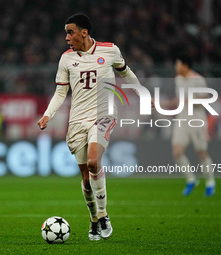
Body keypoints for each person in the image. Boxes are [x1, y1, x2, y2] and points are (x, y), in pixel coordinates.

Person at [37, 13, 144, 240]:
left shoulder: (110, 50)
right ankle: (94, 219)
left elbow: (126, 72)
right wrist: (47, 115)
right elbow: (60, 92)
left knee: (95, 161)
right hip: (77, 121)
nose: (66, 37)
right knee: (86, 178)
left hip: (103, 115)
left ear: (84, 32)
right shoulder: (66, 59)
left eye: (70, 32)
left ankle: (104, 215)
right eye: (66, 32)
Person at [164, 56, 216, 196]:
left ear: (185, 65)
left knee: (201, 152)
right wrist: (161, 105)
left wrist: (188, 99)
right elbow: (179, 100)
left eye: (178, 64)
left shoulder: (198, 80)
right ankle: (191, 179)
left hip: (197, 119)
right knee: (177, 152)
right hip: (182, 118)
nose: (176, 67)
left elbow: (205, 100)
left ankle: (210, 182)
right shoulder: (178, 79)